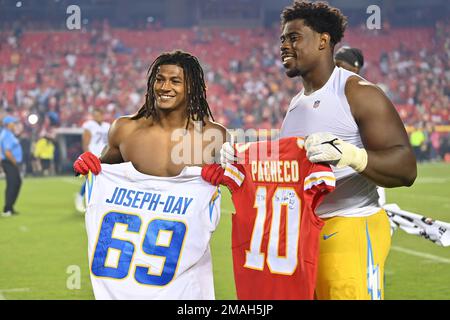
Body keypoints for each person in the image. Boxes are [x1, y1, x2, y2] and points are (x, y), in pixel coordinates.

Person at [277, 1, 416, 300]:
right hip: (308, 234)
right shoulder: (296, 103)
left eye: (294, 37)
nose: (284, 46)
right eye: (282, 40)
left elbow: (406, 168)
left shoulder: (358, 92)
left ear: (323, 40)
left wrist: (349, 155)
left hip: (351, 224)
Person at [73, 50, 227, 300]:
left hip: (185, 278)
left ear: (193, 87)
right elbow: (100, 172)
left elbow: (243, 185)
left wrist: (224, 178)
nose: (164, 87)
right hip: (127, 277)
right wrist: (86, 164)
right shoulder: (125, 130)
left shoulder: (215, 137)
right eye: (159, 79)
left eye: (175, 81)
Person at [74, 108, 110, 212]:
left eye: (98, 115)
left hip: (103, 155)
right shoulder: (89, 125)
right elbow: (85, 142)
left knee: (102, 180)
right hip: (92, 156)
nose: (97, 117)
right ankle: (80, 198)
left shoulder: (107, 126)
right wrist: (87, 156)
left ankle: (98, 203)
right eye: (95, 115)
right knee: (91, 179)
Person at [0, 116, 23, 217]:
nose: (15, 125)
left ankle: (10, 207)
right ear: (8, 124)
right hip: (9, 162)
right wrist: (15, 162)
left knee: (16, 183)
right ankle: (7, 209)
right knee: (12, 184)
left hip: (10, 162)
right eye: (13, 123)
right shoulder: (7, 135)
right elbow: (7, 152)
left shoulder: (8, 134)